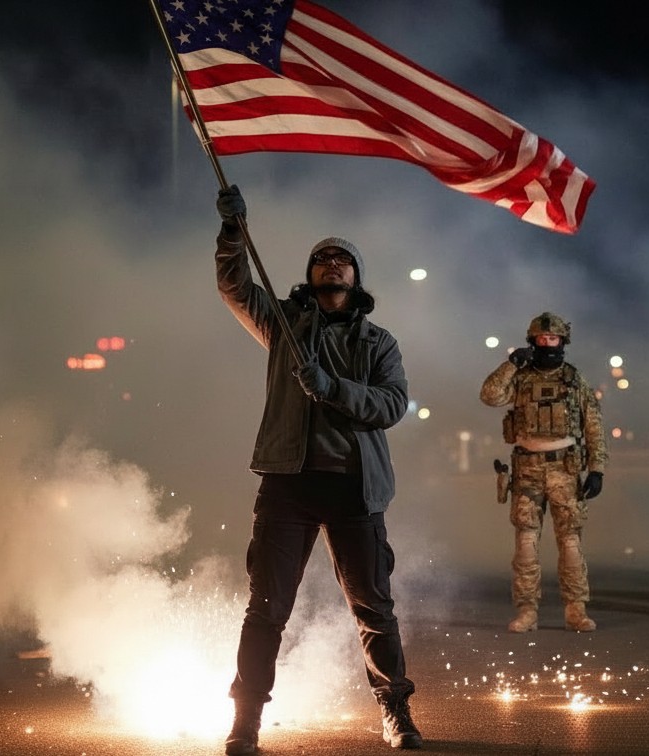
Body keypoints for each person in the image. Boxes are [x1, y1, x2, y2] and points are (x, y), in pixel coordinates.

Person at [212, 185, 421, 753]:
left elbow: (391, 405)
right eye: (322, 259)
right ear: (310, 275)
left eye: (342, 259)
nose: (332, 264)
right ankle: (246, 719)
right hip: (288, 485)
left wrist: (334, 390)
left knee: (374, 609)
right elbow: (234, 285)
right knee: (266, 609)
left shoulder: (380, 343)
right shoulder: (282, 324)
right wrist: (233, 233)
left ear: (356, 277)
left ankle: (395, 712)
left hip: (355, 490)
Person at [480, 312, 607, 633]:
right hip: (527, 469)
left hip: (564, 468)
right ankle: (527, 611)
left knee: (571, 543)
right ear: (532, 342)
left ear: (562, 342)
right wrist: (510, 364)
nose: (547, 344)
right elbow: (490, 395)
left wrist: (597, 469)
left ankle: (575, 609)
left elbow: (593, 427)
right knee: (525, 542)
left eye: (553, 339)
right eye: (541, 339)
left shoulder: (574, 380)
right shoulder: (521, 378)